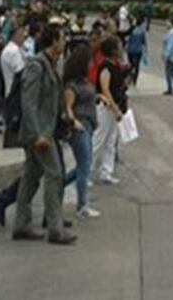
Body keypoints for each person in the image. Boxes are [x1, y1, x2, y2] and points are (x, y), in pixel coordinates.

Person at [12, 23, 77, 245]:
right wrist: (37, 134)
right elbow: (28, 103)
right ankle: (55, 229)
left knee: (31, 177)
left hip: (47, 130)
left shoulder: (51, 64)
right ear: (54, 40)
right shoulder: (36, 66)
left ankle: (21, 224)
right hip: (39, 133)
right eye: (62, 38)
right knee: (55, 174)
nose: (65, 42)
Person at [61, 44, 99, 219]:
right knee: (84, 166)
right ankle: (82, 205)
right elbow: (67, 107)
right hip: (79, 127)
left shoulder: (85, 82)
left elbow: (89, 98)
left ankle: (59, 184)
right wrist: (74, 122)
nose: (92, 64)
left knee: (84, 165)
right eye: (89, 61)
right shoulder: (72, 86)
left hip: (89, 124)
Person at [92, 37, 128, 185]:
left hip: (114, 107)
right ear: (113, 50)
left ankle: (106, 171)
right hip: (106, 107)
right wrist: (114, 108)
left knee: (111, 140)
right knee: (99, 140)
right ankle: (86, 172)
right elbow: (105, 89)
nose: (121, 49)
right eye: (119, 46)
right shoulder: (106, 67)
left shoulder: (116, 65)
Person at [125, 16, 147, 85]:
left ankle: (129, 78)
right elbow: (143, 42)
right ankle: (134, 81)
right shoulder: (142, 31)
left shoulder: (132, 29)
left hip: (130, 49)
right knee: (136, 66)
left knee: (130, 65)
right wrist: (146, 50)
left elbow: (128, 38)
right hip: (138, 50)